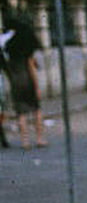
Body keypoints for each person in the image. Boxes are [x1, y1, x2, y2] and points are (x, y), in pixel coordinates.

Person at [3, 15, 46, 149]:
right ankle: (39, 139)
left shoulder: (10, 50)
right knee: (36, 109)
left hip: (16, 82)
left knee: (21, 113)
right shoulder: (27, 52)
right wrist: (37, 86)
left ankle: (25, 141)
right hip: (28, 80)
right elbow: (31, 68)